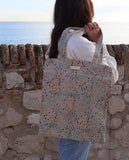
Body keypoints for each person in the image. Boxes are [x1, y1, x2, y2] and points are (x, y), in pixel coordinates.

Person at [45, 0, 119, 159]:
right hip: (80, 114)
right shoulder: (78, 43)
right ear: (84, 12)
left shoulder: (60, 38)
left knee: (69, 153)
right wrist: (99, 42)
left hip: (65, 113)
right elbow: (110, 75)